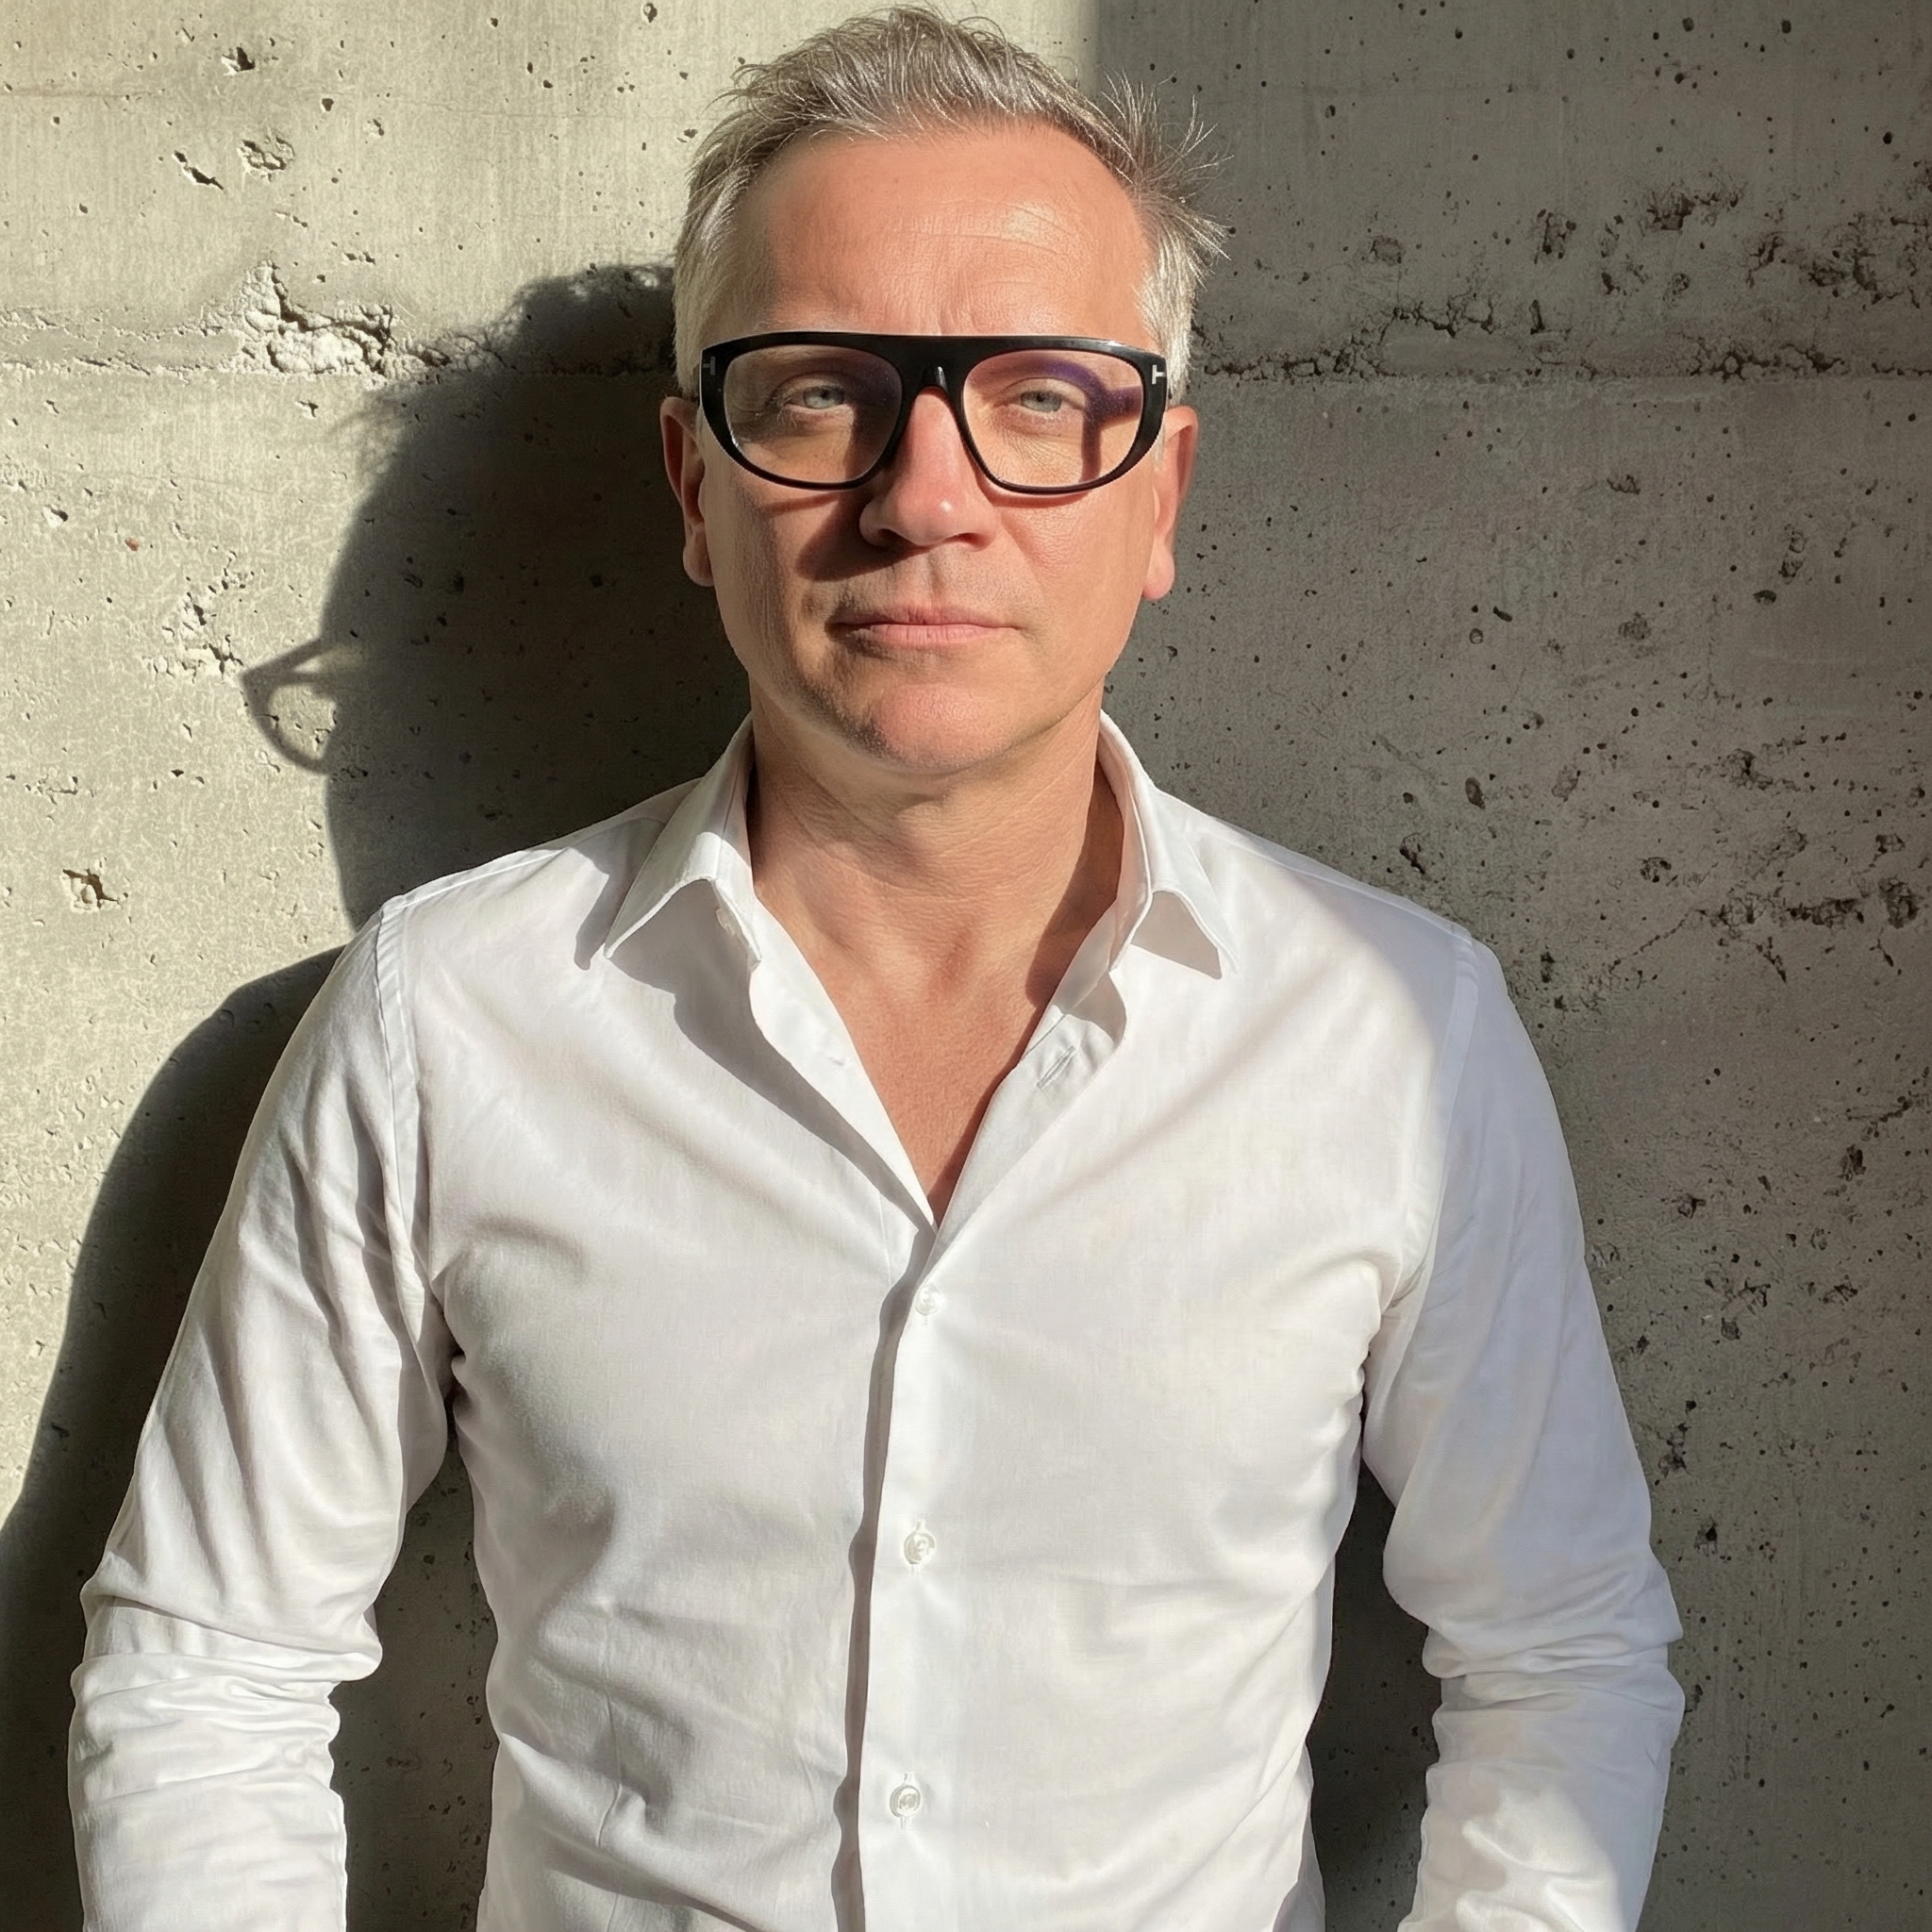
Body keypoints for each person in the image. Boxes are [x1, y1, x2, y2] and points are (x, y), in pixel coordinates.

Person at [68, 10, 1682, 1929]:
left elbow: (1561, 1653)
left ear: (1159, 496)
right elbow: (210, 1661)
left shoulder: (1392, 1035)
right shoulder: (450, 1017)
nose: (926, 498)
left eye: (1041, 396)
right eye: (823, 393)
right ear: (693, 487)